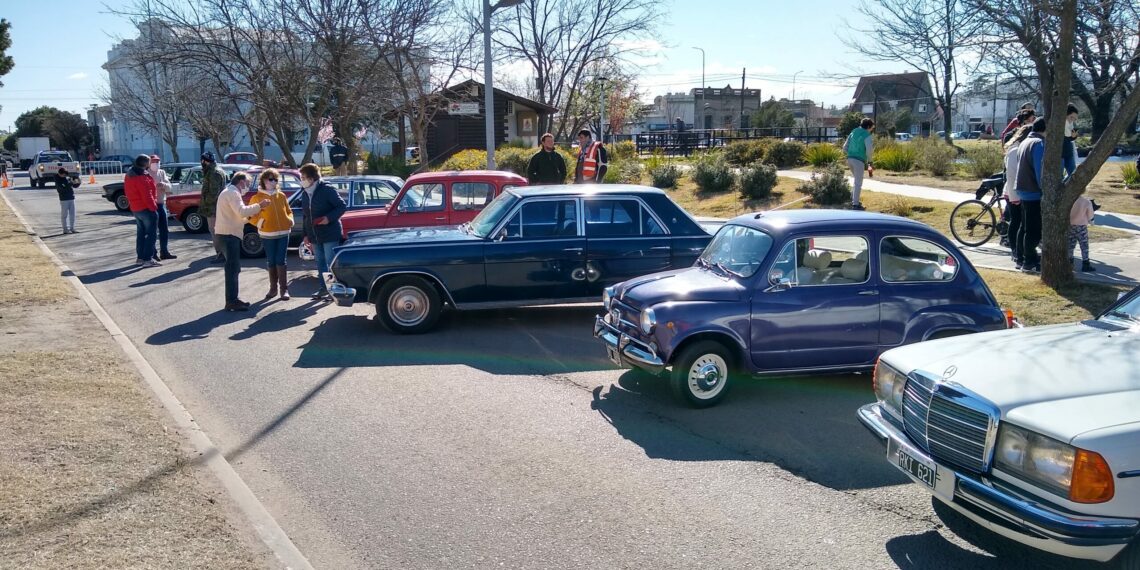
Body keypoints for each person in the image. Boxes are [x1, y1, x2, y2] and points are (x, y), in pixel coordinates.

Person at [215, 172, 270, 311]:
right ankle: (232, 301)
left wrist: (251, 216)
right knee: (233, 268)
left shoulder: (228, 192)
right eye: (247, 182)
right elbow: (241, 211)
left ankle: (233, 299)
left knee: (233, 268)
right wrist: (260, 205)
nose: (248, 186)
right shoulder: (233, 193)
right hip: (229, 235)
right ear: (240, 182)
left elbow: (237, 216)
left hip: (225, 233)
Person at [299, 163, 347, 301]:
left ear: (312, 178)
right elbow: (305, 216)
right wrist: (305, 235)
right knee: (320, 262)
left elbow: (341, 206)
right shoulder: (304, 193)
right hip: (314, 235)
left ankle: (335, 290)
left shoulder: (327, 190)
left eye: (304, 177)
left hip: (330, 233)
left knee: (330, 261)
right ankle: (324, 288)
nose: (301, 180)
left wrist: (328, 218)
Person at [246, 168, 295, 300]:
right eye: (270, 179)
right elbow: (250, 216)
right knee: (271, 261)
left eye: (275, 179)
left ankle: (284, 290)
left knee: (281, 260)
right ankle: (273, 288)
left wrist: (290, 219)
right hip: (267, 234)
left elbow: (289, 211)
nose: (273, 182)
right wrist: (260, 222)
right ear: (264, 180)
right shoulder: (256, 198)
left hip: (284, 233)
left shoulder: (281, 195)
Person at [1015, 117, 1048, 274]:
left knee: (1025, 226)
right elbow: (1039, 170)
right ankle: (1029, 261)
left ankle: (1020, 257)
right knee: (1033, 230)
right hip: (1033, 191)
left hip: (1022, 189)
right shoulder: (1038, 143)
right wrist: (1045, 189)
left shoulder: (1024, 142)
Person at [1002, 125, 1033, 266]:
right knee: (1016, 222)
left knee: (1020, 222)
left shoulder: (1022, 149)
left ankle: (1019, 250)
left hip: (1020, 192)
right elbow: (1011, 175)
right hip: (1013, 192)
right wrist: (1015, 197)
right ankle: (1015, 250)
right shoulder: (1015, 151)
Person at [124, 154, 161, 267]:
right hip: (145, 208)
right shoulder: (141, 177)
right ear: (145, 163)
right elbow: (147, 195)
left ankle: (140, 257)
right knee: (151, 234)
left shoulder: (130, 174)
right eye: (149, 162)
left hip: (136, 208)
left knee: (141, 233)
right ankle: (147, 259)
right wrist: (154, 207)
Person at [199, 152, 228, 263]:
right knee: (216, 231)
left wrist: (206, 203)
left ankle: (221, 254)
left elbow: (213, 193)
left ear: (204, 161)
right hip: (215, 206)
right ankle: (221, 253)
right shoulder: (215, 170)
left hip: (213, 208)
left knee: (215, 231)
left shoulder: (213, 172)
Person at [149, 155, 176, 260]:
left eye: (158, 162)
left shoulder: (162, 173)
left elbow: (170, 187)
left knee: (164, 229)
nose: (156, 164)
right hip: (151, 205)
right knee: (153, 230)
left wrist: (163, 184)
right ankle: (153, 253)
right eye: (154, 162)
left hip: (161, 204)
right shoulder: (146, 174)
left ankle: (164, 251)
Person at [844, 117, 874, 210]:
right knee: (858, 182)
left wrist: (849, 154)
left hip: (849, 159)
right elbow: (869, 151)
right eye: (871, 128)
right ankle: (855, 204)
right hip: (859, 160)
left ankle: (853, 200)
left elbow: (845, 147)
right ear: (868, 126)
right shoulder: (867, 135)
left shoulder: (853, 131)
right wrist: (870, 162)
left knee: (856, 180)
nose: (872, 130)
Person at [1069, 195, 1096, 272]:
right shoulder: (1086, 202)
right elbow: (1090, 215)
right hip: (1081, 226)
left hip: (1070, 225)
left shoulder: (1069, 200)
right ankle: (1086, 263)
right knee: (1084, 246)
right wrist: (1092, 222)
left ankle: (1069, 262)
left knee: (1070, 245)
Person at [54, 167, 79, 234]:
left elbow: (73, 185)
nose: (65, 176)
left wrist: (77, 182)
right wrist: (70, 184)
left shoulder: (66, 178)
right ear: (60, 174)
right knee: (64, 215)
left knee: (72, 214)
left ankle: (72, 228)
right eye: (64, 175)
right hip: (64, 199)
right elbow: (62, 189)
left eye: (66, 175)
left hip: (71, 197)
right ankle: (65, 229)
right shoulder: (58, 180)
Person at [1062, 103, 1079, 177]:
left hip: (1068, 153)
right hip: (1059, 154)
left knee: (1073, 175)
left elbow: (1070, 137)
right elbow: (1067, 135)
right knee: (1059, 176)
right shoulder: (1060, 123)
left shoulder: (1070, 124)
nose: (1072, 120)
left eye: (1074, 119)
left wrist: (1073, 136)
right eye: (1071, 117)